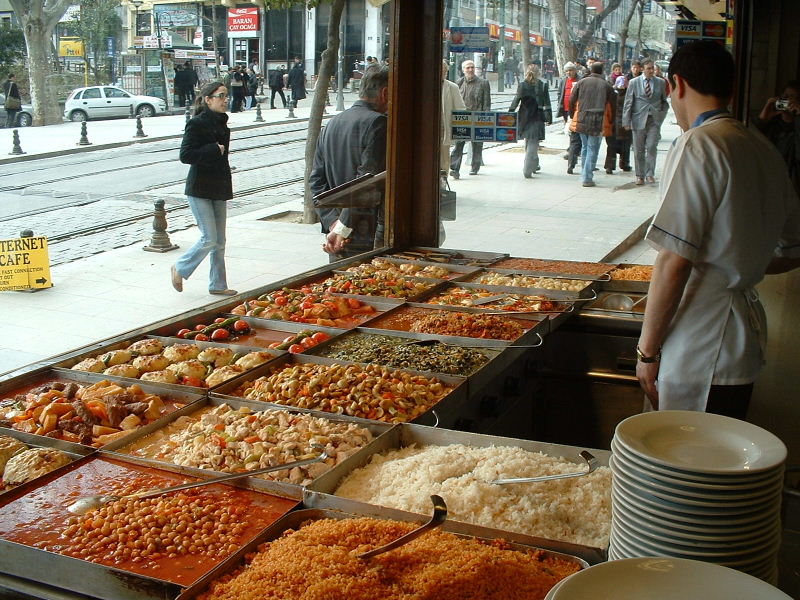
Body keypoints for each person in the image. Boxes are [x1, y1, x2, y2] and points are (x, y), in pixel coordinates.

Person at [636, 40, 800, 419]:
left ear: (675, 84)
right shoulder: (760, 145)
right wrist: (742, 263)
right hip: (741, 340)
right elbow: (793, 249)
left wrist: (647, 352)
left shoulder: (699, 144)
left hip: (699, 342)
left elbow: (674, 260)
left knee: (685, 462)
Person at [310, 67, 389, 261]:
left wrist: (333, 224)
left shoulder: (332, 123)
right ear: (385, 93)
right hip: (363, 232)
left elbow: (316, 182)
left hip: (336, 235)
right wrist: (342, 228)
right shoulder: (379, 123)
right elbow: (365, 182)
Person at [171, 82, 236, 296]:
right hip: (199, 188)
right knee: (209, 238)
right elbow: (185, 155)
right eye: (221, 96)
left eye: (226, 96)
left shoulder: (223, 124)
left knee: (220, 241)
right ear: (208, 99)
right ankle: (179, 267)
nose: (225, 100)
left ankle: (218, 285)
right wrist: (212, 149)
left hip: (219, 187)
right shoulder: (197, 124)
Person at [569, 61, 616, 187]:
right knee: (591, 148)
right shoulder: (606, 85)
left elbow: (572, 99)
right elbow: (613, 105)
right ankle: (587, 177)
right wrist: (612, 121)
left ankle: (584, 174)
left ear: (591, 70)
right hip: (597, 119)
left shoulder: (582, 82)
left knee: (585, 147)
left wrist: (572, 115)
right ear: (602, 71)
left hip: (581, 118)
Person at [623, 59, 668, 185]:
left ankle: (650, 174)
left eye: (652, 68)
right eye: (648, 68)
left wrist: (661, 115)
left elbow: (664, 101)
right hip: (638, 119)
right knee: (639, 149)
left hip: (654, 119)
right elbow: (628, 102)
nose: (651, 71)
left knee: (652, 146)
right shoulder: (634, 82)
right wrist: (626, 121)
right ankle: (640, 175)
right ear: (642, 69)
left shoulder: (660, 82)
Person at [757, 80, 800, 195]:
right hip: (769, 180)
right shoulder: (772, 124)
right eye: (784, 96)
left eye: (792, 97)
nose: (787, 100)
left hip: (791, 184)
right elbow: (750, 141)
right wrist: (763, 119)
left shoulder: (797, 127)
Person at [509, 64, 553, 178]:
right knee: (533, 142)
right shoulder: (543, 85)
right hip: (537, 117)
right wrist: (549, 118)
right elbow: (547, 103)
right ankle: (527, 169)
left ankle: (534, 165)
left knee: (529, 141)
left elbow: (516, 100)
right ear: (538, 72)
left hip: (524, 117)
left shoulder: (522, 85)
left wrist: (510, 113)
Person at [449, 60, 491, 178]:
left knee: (477, 145)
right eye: (468, 68)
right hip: (462, 119)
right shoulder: (458, 83)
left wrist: (486, 119)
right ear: (463, 70)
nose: (470, 70)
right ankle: (455, 169)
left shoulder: (483, 83)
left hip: (478, 118)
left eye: (472, 67)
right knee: (458, 144)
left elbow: (487, 103)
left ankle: (475, 166)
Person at [441, 60, 466, 178]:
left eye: (444, 70)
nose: (442, 72)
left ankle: (442, 183)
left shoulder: (452, 87)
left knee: (444, 160)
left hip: (443, 130)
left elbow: (460, 109)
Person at [557, 62, 582, 175]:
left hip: (577, 111)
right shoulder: (563, 80)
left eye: (570, 70)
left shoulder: (580, 80)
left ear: (575, 70)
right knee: (570, 131)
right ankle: (572, 151)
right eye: (567, 71)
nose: (568, 73)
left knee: (574, 134)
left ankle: (572, 153)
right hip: (566, 110)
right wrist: (561, 107)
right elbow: (560, 94)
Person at [604, 75, 632, 174]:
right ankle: (624, 164)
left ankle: (609, 166)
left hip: (612, 123)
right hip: (625, 124)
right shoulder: (629, 94)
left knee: (611, 146)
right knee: (625, 146)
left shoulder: (611, 93)